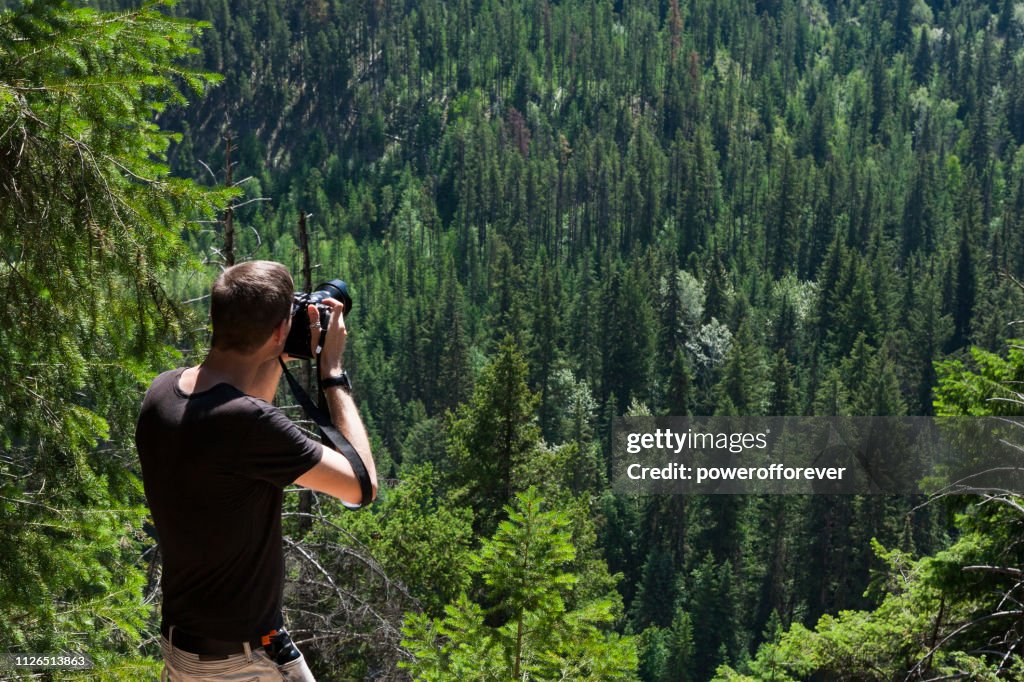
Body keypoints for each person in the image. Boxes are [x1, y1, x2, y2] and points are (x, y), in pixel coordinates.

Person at [135, 260, 378, 681]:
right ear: (280, 332)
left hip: (184, 651)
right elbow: (361, 487)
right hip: (241, 664)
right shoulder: (247, 426)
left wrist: (272, 346)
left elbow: (247, 407)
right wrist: (332, 374)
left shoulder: (162, 392)